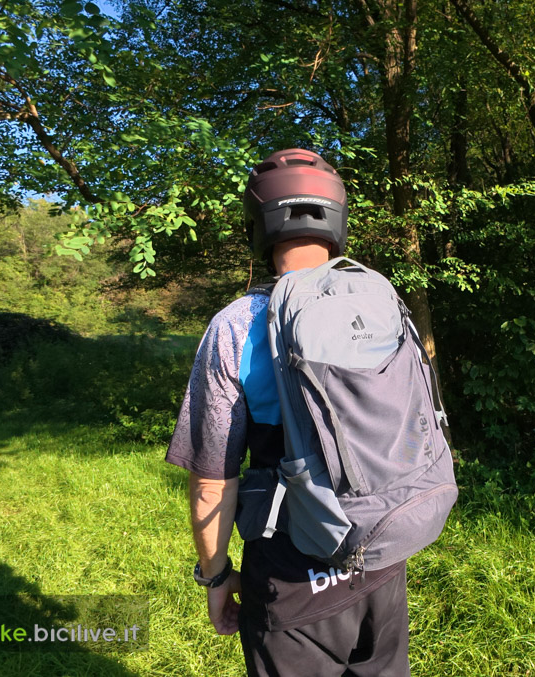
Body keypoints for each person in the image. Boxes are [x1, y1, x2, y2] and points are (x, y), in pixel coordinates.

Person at [165, 149, 410, 676]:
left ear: (260, 226)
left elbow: (213, 482)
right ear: (338, 221)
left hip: (293, 577)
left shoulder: (236, 325)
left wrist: (214, 578)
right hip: (383, 552)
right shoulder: (381, 304)